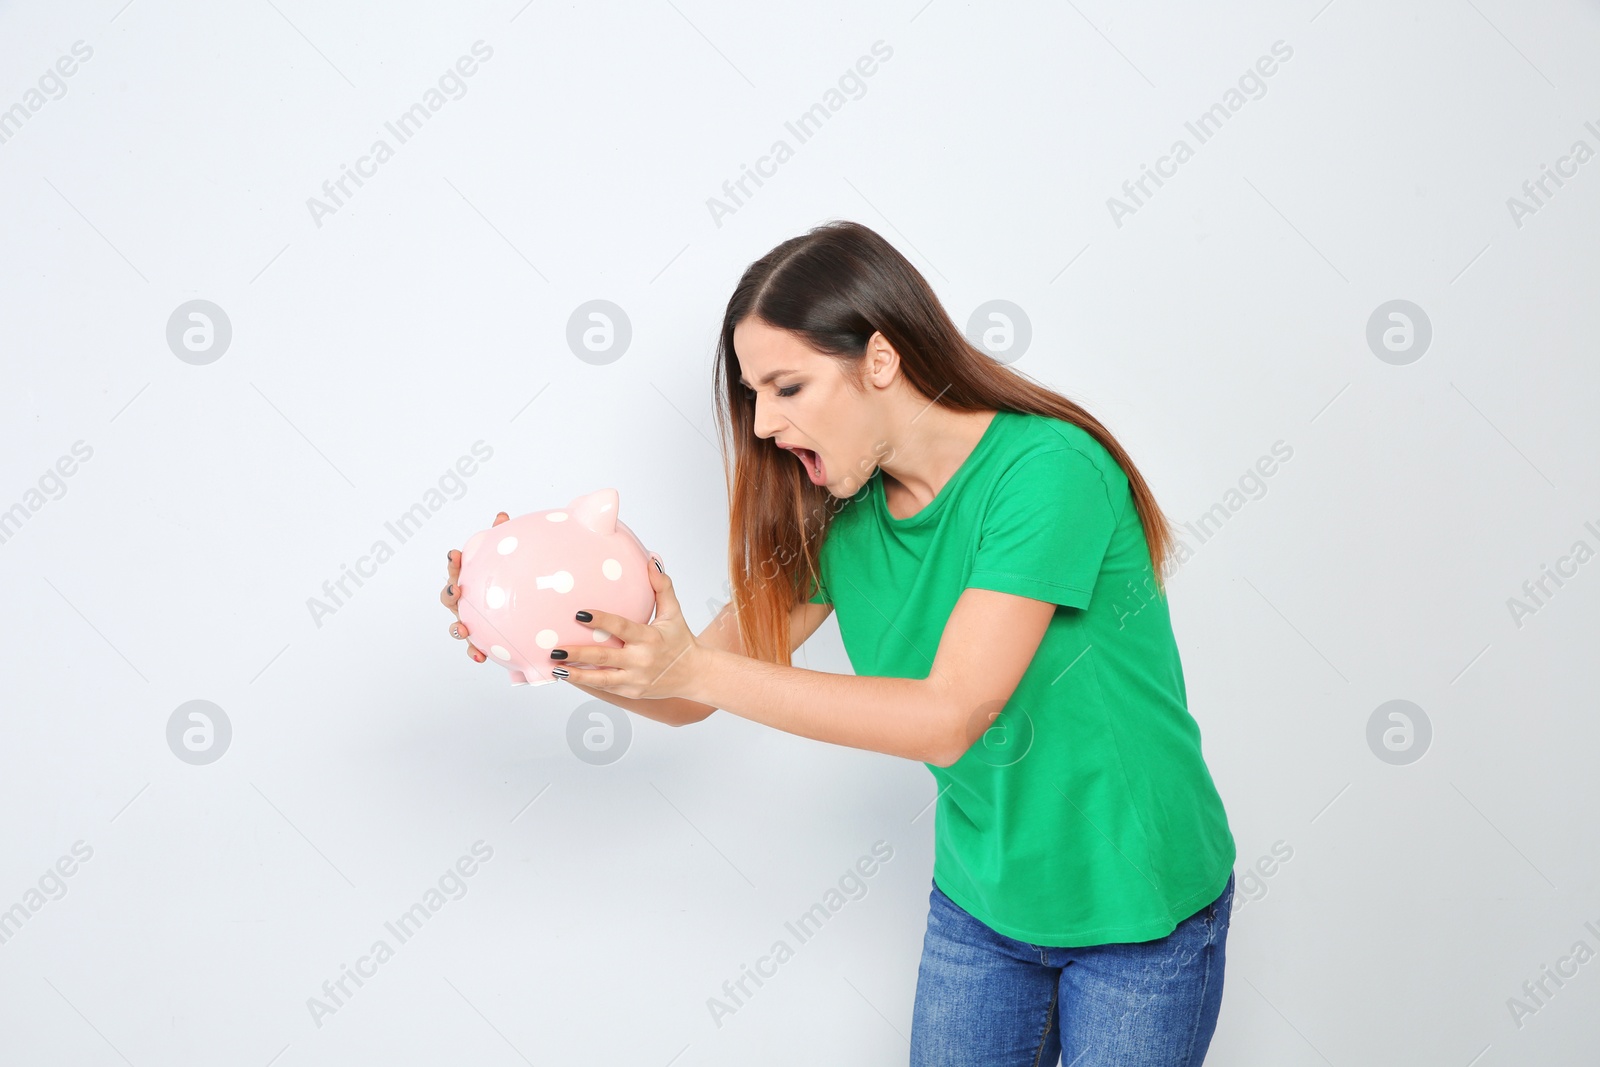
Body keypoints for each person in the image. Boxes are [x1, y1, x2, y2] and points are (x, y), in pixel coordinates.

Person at [440, 220, 1237, 1066]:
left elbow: (949, 715)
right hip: (985, 900)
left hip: (1138, 907)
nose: (763, 423)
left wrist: (696, 666)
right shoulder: (836, 516)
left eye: (787, 386)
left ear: (881, 360)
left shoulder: (1046, 470)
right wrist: (543, 642)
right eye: (752, 394)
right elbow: (683, 694)